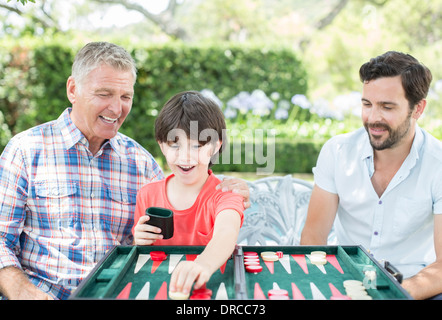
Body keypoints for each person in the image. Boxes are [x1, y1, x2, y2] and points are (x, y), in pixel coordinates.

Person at [0, 42, 249, 300]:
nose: (117, 109)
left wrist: (229, 189)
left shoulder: (142, 163)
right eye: (104, 94)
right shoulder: (26, 151)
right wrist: (21, 292)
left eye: (125, 97)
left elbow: (179, 214)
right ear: (73, 89)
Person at [300, 51, 442, 300]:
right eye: (367, 104)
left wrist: (386, 295)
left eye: (387, 107)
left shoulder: (438, 163)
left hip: (416, 291)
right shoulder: (337, 152)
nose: (373, 118)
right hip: (345, 287)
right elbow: (313, 239)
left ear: (417, 108)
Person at [133, 91, 244, 296]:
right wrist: (138, 241)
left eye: (197, 146)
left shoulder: (226, 194)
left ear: (215, 146)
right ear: (161, 146)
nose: (185, 156)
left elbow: (226, 234)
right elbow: (140, 257)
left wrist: (203, 264)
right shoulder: (146, 195)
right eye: (175, 145)